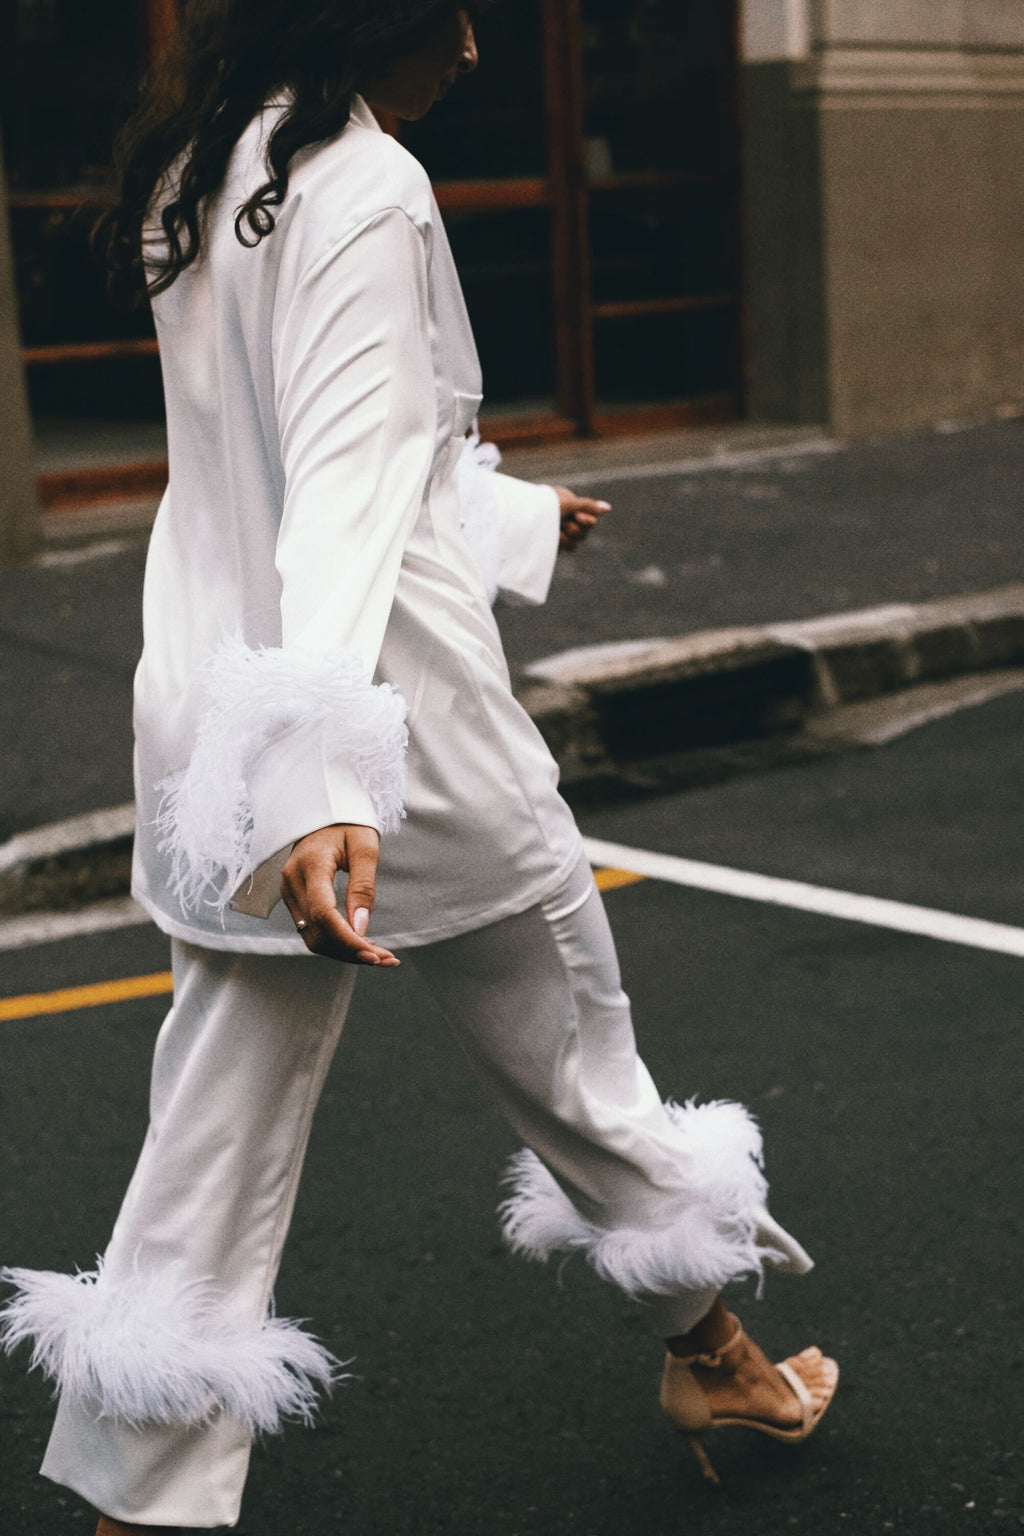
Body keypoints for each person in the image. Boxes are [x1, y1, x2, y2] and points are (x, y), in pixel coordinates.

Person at [0, 4, 837, 1530]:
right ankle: (714, 1349)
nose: (477, 38)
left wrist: (513, 525)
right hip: (395, 751)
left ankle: (133, 1512)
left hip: (218, 730)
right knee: (579, 1060)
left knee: (211, 1145)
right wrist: (321, 776)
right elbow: (335, 490)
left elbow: (341, 452)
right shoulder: (369, 186)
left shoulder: (218, 162)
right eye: (455, 6)